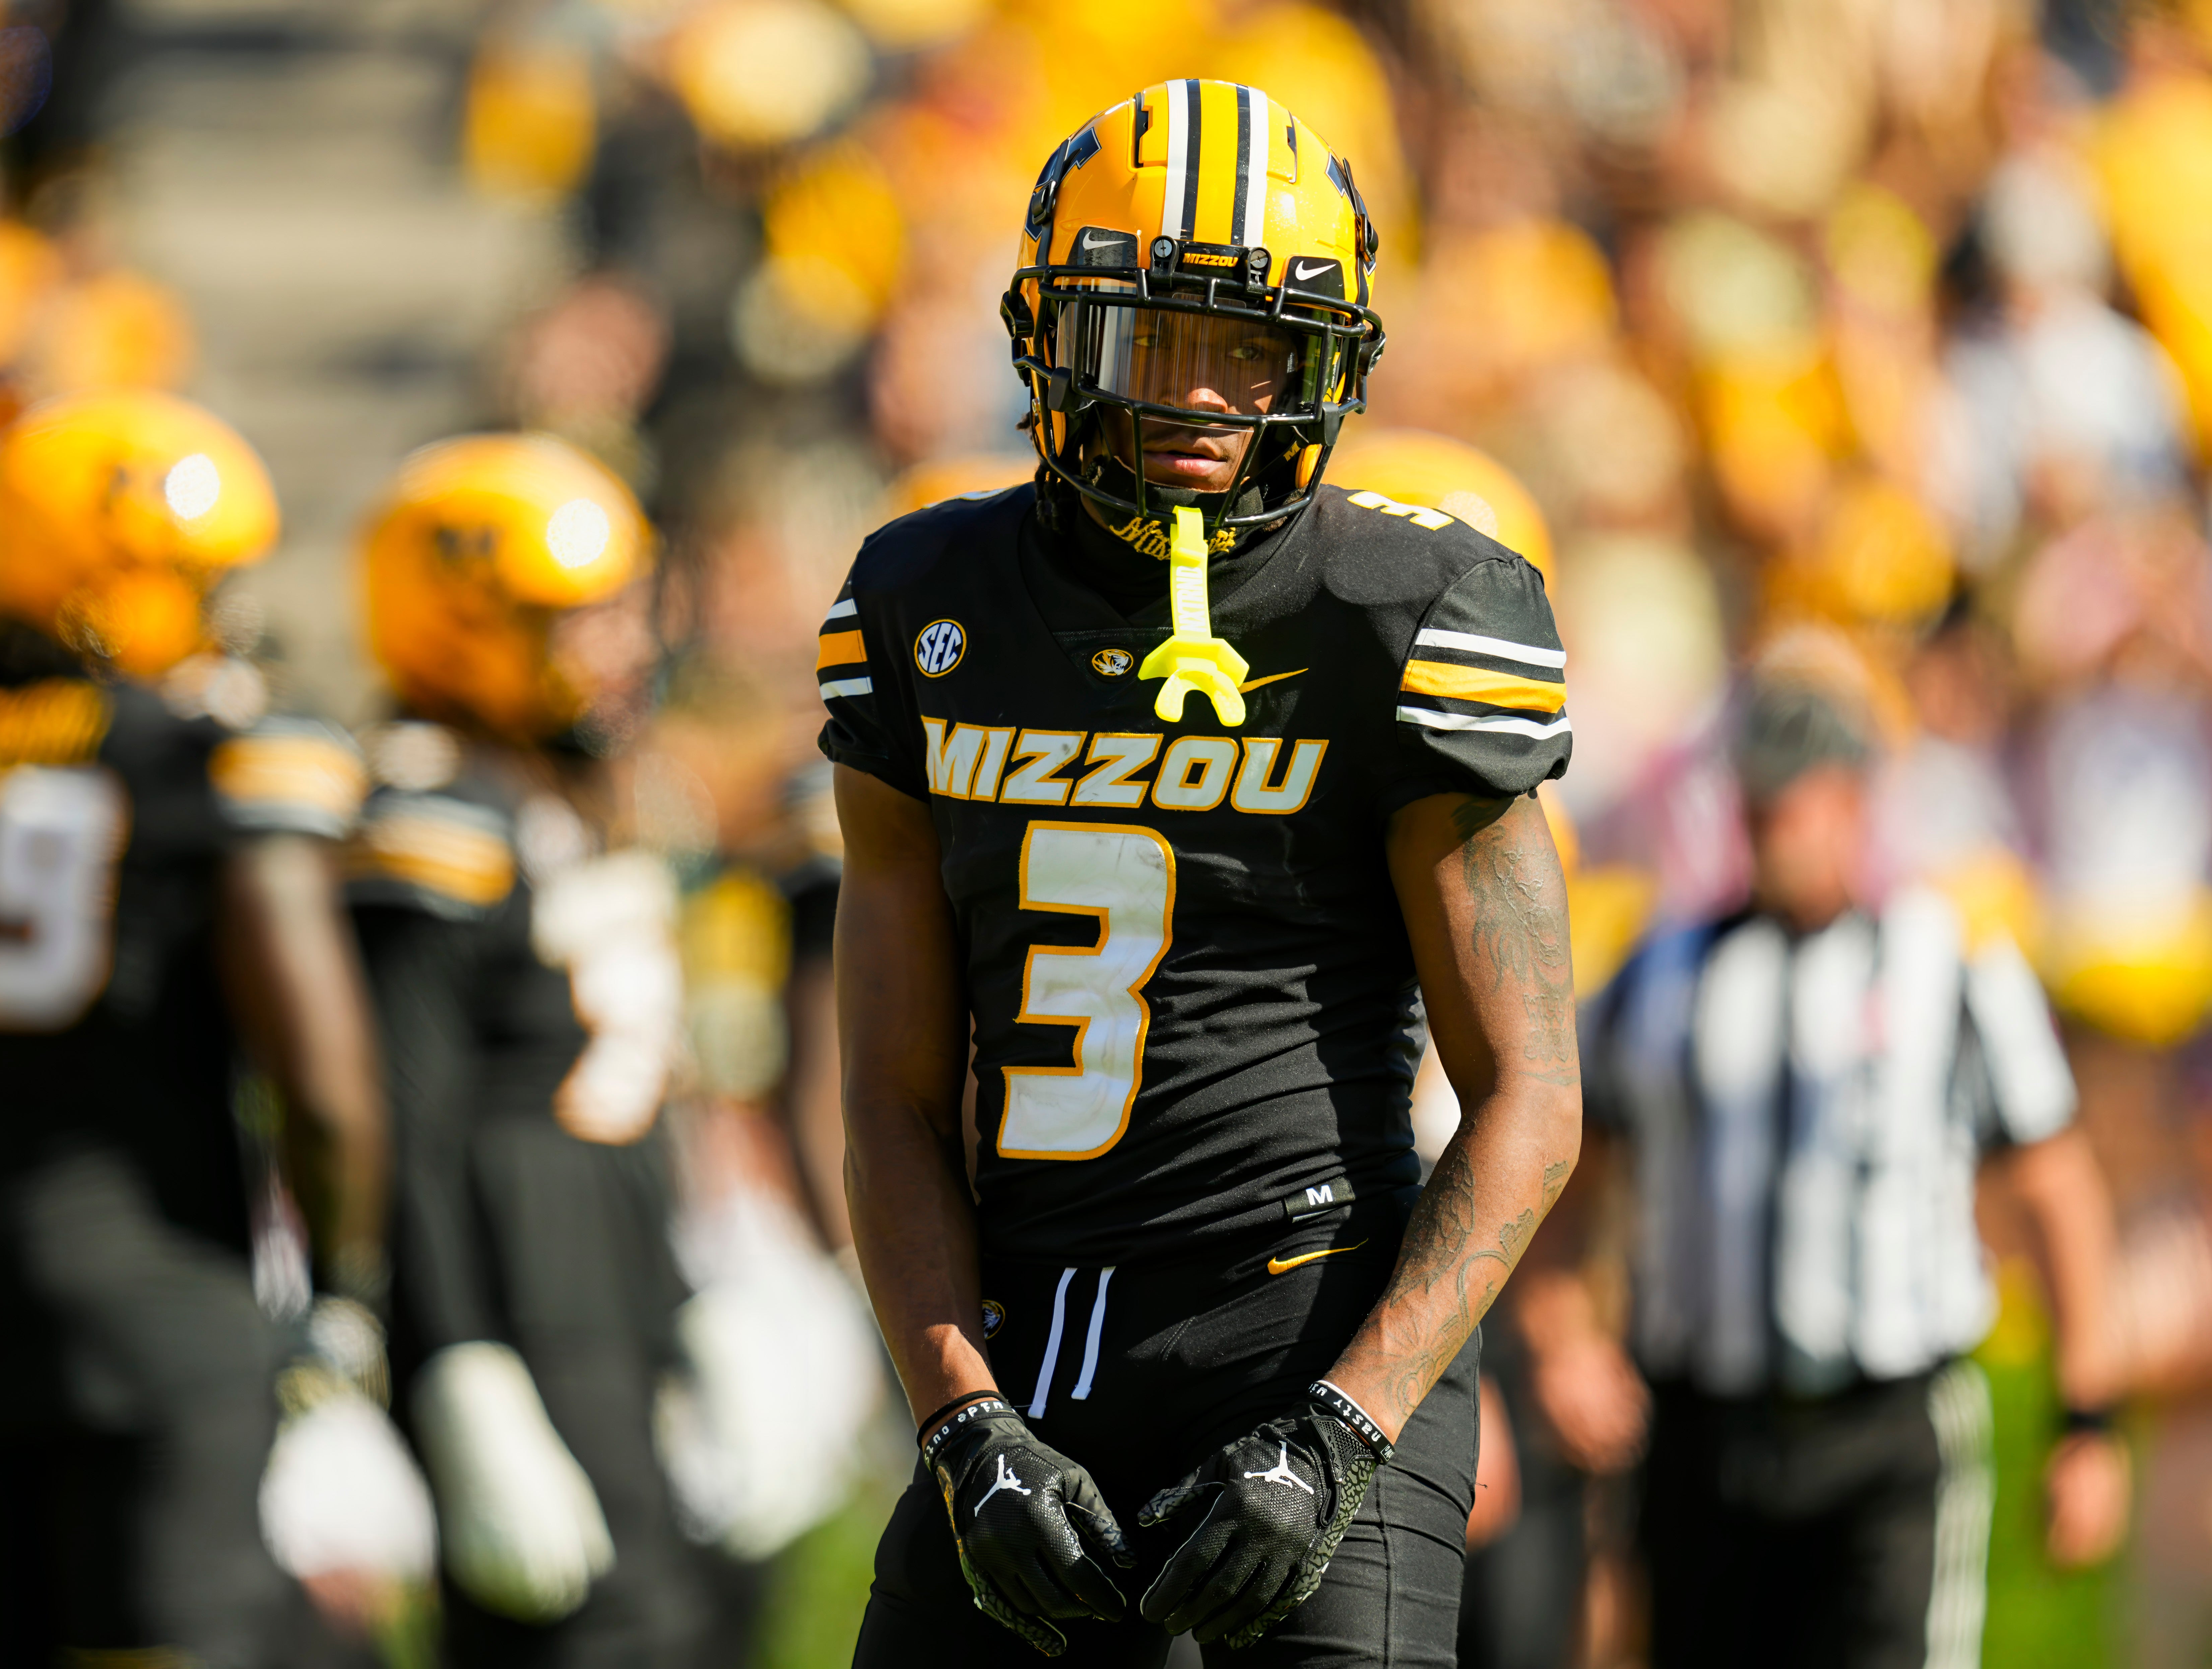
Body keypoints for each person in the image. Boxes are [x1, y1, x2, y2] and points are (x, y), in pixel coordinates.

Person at [824, 80, 1584, 1666]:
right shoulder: (924, 600)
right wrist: (963, 1422)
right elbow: (892, 1094)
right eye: (1157, 338)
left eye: (1258, 349)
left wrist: (1344, 1428)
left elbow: (1528, 1095)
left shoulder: (1403, 609)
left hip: (1308, 1326)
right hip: (1026, 1346)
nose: (1209, 398)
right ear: (1054, 335)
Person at [0, 390, 389, 1668]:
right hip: (154, 1312)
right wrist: (346, 1290)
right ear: (95, 578)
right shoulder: (206, 757)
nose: (222, 613)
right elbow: (326, 1081)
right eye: (190, 579)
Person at [1556, 678, 2130, 1669]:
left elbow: (2057, 1190)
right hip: (1704, 1431)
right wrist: (1564, 1336)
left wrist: (2087, 1419)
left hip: (1887, 1428)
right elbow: (1568, 1161)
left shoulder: (1947, 965)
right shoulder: (1661, 973)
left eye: (1795, 795)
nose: (1770, 821)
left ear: (1856, 802)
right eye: (1757, 795)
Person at [347, 433, 707, 1666]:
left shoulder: (558, 794)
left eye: (621, 612)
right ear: (464, 624)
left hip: (608, 1283)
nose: (621, 647)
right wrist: (457, 1364)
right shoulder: (433, 813)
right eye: (576, 620)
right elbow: (398, 1119)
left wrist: (687, 1301)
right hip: (521, 1287)